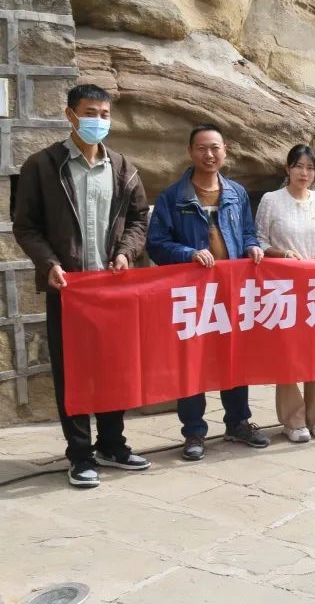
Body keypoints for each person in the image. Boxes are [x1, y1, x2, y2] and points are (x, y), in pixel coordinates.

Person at [13, 84, 152, 488]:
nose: (98, 121)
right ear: (70, 115)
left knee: (114, 369)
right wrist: (49, 263)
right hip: (69, 290)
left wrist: (126, 252)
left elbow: (139, 218)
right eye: (90, 113)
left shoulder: (122, 167)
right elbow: (26, 226)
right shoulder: (42, 166)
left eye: (105, 114)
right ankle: (79, 454)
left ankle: (112, 444)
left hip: (111, 290)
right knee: (72, 374)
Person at [147, 124, 270, 460]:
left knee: (234, 357)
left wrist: (252, 247)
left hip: (232, 291)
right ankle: (194, 432)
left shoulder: (237, 193)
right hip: (193, 295)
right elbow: (157, 244)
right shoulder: (172, 197)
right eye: (202, 148)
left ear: (225, 150)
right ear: (190, 152)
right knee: (193, 361)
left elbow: (248, 233)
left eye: (215, 147)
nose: (209, 154)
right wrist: (187, 253)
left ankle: (238, 422)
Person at [255, 144, 315, 443]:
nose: (304, 173)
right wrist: (281, 254)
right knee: (288, 352)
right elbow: (259, 240)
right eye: (299, 166)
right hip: (283, 287)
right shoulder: (271, 200)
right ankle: (293, 420)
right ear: (287, 169)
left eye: (310, 168)